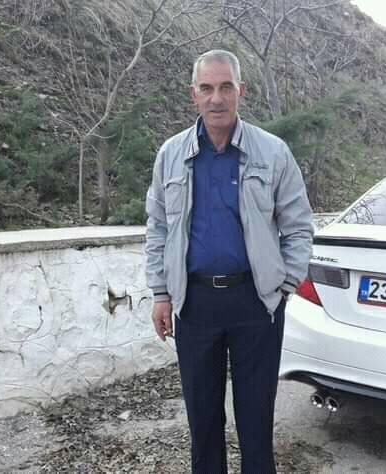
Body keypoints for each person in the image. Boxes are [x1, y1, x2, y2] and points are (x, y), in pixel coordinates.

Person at [145, 49, 313, 474]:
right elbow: (158, 227)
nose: (216, 98)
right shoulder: (171, 154)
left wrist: (285, 285)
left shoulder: (272, 152)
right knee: (202, 420)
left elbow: (298, 226)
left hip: (255, 303)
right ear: (193, 94)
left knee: (255, 418)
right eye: (206, 88)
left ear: (241, 90)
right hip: (194, 304)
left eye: (225, 87)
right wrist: (161, 293)